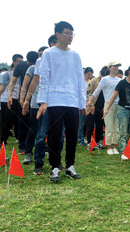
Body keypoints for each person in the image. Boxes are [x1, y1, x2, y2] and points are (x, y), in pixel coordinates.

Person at [37, 21, 85, 182]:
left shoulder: (75, 55)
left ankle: (70, 166)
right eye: (66, 32)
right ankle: (54, 167)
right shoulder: (49, 54)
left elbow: (80, 80)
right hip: (55, 100)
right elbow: (44, 78)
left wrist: (82, 103)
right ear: (58, 34)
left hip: (72, 101)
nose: (70, 36)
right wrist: (43, 101)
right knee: (55, 135)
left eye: (72, 33)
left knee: (72, 135)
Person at [22, 35, 59, 174]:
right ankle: (38, 162)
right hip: (42, 103)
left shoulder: (64, 59)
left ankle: (56, 162)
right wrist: (26, 99)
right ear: (51, 44)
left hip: (58, 103)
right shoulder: (40, 60)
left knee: (58, 135)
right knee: (40, 133)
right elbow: (35, 81)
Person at [103, 64, 130, 160]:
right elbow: (114, 96)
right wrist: (107, 108)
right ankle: (124, 152)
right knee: (123, 132)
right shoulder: (122, 83)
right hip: (123, 110)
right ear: (129, 72)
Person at [7, 51, 39, 154]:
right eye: (30, 63)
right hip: (24, 96)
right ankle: (22, 145)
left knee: (35, 122)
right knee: (23, 122)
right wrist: (10, 95)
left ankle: (35, 144)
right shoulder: (21, 66)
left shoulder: (42, 65)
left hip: (38, 97)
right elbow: (13, 81)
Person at [87, 62, 122, 155]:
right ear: (109, 67)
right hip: (108, 104)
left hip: (118, 104)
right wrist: (90, 101)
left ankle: (115, 146)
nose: (116, 68)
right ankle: (109, 147)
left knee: (117, 126)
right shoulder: (105, 79)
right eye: (114, 66)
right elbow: (97, 91)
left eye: (117, 66)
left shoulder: (119, 80)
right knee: (109, 126)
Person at [0, 54, 23, 147]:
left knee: (20, 120)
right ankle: (3, 141)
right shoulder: (8, 74)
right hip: (8, 100)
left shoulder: (24, 73)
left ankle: (20, 139)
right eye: (18, 61)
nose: (20, 63)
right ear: (14, 62)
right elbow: (2, 87)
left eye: (22, 61)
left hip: (20, 99)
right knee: (7, 121)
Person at [85, 66, 108, 152]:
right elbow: (88, 93)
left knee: (100, 125)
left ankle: (98, 141)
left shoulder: (108, 81)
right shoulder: (93, 81)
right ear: (101, 74)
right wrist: (91, 105)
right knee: (90, 125)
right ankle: (89, 143)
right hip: (92, 107)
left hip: (102, 108)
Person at [77, 67, 94, 146]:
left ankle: (83, 138)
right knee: (81, 123)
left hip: (88, 104)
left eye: (91, 75)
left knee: (87, 123)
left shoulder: (91, 82)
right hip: (81, 105)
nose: (90, 76)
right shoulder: (80, 82)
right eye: (88, 75)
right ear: (84, 74)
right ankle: (80, 139)